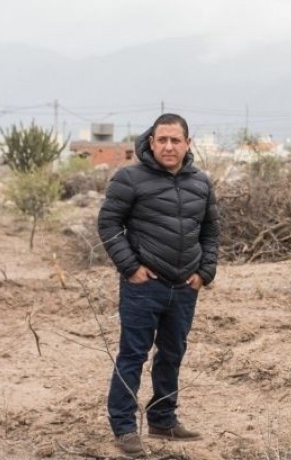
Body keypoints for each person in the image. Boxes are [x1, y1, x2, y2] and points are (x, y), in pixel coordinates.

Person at [98, 113, 219, 456]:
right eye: (162, 140)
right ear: (151, 142)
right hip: (143, 286)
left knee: (172, 353)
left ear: (187, 144)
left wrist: (205, 272)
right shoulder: (130, 178)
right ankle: (123, 427)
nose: (168, 146)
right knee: (133, 355)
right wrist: (130, 267)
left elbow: (211, 232)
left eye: (175, 140)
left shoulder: (201, 182)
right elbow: (108, 224)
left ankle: (163, 420)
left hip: (184, 287)